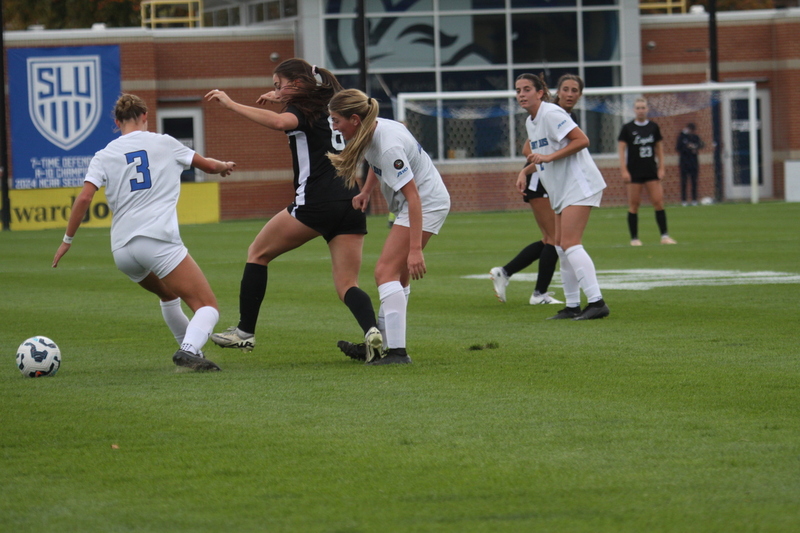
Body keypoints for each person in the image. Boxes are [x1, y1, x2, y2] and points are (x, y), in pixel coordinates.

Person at [205, 59, 383, 362]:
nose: (275, 91)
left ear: (298, 83)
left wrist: (230, 104)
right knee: (347, 284)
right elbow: (302, 108)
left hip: (316, 202)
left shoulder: (302, 110)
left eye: (279, 84)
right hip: (350, 202)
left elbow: (280, 123)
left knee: (257, 253)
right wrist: (284, 96)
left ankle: (244, 333)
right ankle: (373, 333)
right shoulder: (331, 105)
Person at [52, 94, 236, 371]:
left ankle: (190, 358)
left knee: (169, 297)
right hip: (157, 240)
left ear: (117, 122)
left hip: (122, 251)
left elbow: (84, 199)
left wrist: (67, 241)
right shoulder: (164, 142)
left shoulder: (104, 155)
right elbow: (208, 166)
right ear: (145, 117)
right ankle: (188, 349)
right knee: (207, 306)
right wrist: (222, 166)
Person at [327, 88, 451, 364]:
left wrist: (416, 250)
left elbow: (414, 197)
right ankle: (381, 346)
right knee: (397, 278)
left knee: (385, 272)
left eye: (336, 120)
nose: (334, 126)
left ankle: (397, 353)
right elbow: (376, 163)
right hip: (421, 202)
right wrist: (368, 191)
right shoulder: (374, 128)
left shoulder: (388, 143)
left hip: (425, 204)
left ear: (355, 119)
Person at [515, 73, 609, 320]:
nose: (521, 94)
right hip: (561, 188)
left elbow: (582, 140)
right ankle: (572, 306)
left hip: (580, 184)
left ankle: (597, 302)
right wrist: (526, 170)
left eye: (527, 89)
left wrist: (546, 158)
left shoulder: (552, 113)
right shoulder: (531, 121)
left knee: (569, 243)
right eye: (518, 90)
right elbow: (540, 153)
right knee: (559, 246)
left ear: (541, 93)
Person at [490, 74, 585, 306]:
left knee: (550, 239)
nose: (570, 94)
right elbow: (528, 147)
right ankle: (539, 293)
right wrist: (532, 168)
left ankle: (506, 272)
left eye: (575, 90)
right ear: (555, 92)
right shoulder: (550, 112)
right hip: (541, 181)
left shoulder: (562, 115)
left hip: (551, 179)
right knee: (555, 239)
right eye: (566, 89)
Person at [618, 98, 677, 246]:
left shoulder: (653, 127)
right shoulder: (627, 128)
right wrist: (624, 170)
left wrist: (661, 167)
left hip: (651, 170)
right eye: (638, 108)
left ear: (647, 109)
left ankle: (665, 236)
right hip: (634, 171)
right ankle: (634, 238)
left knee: (658, 202)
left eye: (643, 107)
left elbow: (659, 148)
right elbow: (621, 150)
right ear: (634, 110)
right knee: (634, 204)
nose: (641, 110)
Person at [676, 122, 704, 206]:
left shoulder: (695, 137)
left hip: (693, 162)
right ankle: (684, 200)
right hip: (684, 162)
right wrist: (688, 148)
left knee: (694, 181)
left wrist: (694, 147)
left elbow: (701, 145)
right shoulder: (682, 137)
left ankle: (694, 199)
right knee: (684, 181)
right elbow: (678, 148)